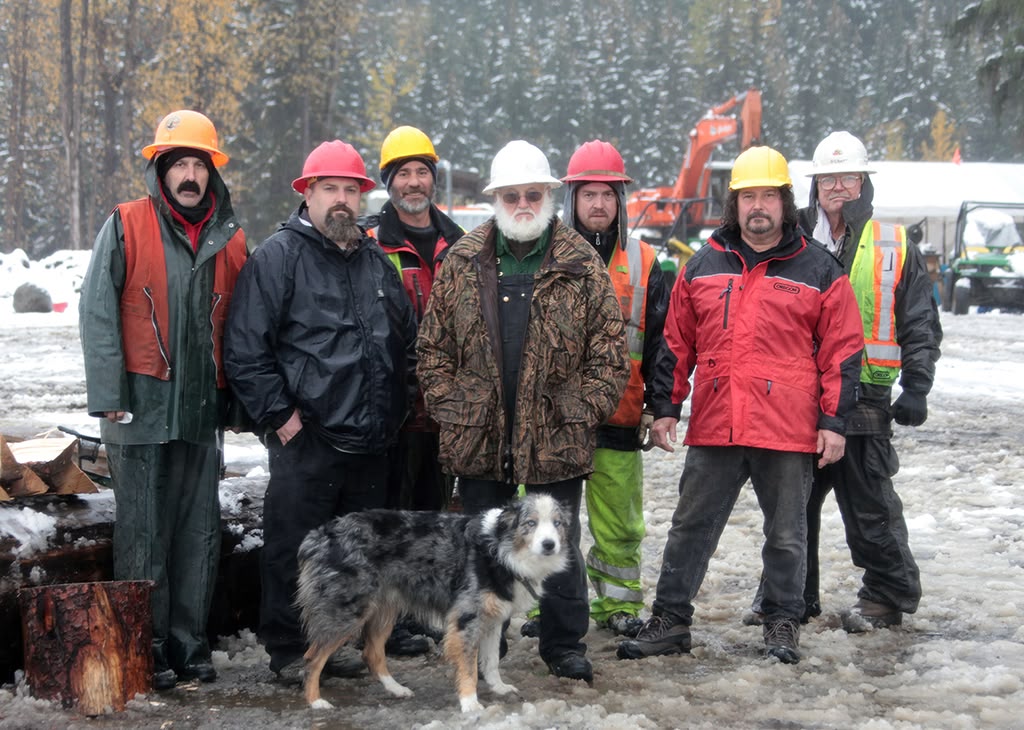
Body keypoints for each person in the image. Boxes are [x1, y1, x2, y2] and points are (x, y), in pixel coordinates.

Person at [615, 145, 865, 665]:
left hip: (787, 427)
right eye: (748, 196)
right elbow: (676, 344)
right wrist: (666, 406)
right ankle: (670, 620)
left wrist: (834, 422)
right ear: (734, 204)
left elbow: (842, 351)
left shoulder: (820, 269)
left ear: (785, 202)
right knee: (690, 527)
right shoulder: (702, 264)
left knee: (787, 535)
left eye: (769, 196)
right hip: (718, 422)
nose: (758, 206)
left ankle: (782, 623)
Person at [416, 140, 629, 684]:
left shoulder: (581, 263)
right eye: (512, 195)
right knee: (483, 548)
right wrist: (453, 406)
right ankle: (488, 641)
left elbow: (609, 354)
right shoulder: (462, 260)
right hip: (479, 434)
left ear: (549, 196)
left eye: (533, 194)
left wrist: (577, 412)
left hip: (556, 435)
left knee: (559, 545)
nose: (523, 204)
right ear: (496, 199)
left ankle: (563, 644)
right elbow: (433, 348)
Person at [223, 140, 418, 683]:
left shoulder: (375, 262)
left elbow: (405, 341)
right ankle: (290, 649)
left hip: (372, 439)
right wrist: (280, 417)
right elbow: (246, 348)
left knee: (358, 555)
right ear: (307, 194)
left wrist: (398, 409)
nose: (341, 200)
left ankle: (335, 644)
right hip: (307, 438)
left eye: (350, 190)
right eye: (329, 188)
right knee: (294, 548)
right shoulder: (277, 258)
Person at [79, 109, 248, 690]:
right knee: (143, 533)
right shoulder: (126, 223)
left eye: (198, 164)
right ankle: (145, 647)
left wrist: (238, 403)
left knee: (199, 532)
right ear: (161, 171)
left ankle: (189, 645)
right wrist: (108, 393)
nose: (189, 176)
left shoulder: (231, 239)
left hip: (202, 409)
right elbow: (98, 310)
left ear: (212, 172)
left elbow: (242, 327)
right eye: (179, 164)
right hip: (139, 406)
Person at [746, 131, 941, 631]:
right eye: (828, 179)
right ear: (815, 185)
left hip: (865, 398)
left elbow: (919, 320)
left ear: (863, 182)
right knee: (789, 509)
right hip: (797, 395)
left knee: (870, 505)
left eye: (847, 178)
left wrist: (917, 385)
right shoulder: (788, 236)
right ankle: (787, 597)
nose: (837, 187)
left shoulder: (893, 243)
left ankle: (886, 596)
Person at [520, 140, 671, 640]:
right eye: (589, 194)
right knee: (545, 520)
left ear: (620, 200)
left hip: (620, 416)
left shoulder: (645, 261)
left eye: (608, 194)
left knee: (620, 525)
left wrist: (659, 405)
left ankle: (617, 605)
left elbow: (662, 343)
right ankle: (544, 608)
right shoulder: (541, 254)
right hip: (552, 419)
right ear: (573, 199)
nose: (599, 204)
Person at [361, 126, 465, 656]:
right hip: (394, 409)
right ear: (389, 182)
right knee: (391, 518)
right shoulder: (370, 243)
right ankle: (389, 621)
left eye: (422, 171)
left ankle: (423, 612)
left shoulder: (461, 243)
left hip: (445, 410)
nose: (414, 182)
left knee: (433, 518)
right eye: (403, 173)